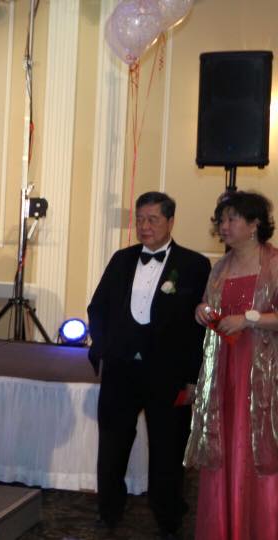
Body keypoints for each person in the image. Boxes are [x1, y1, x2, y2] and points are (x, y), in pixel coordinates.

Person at [87, 191, 210, 538]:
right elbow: (97, 307)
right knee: (112, 446)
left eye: (152, 219)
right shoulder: (122, 259)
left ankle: (168, 519)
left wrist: (192, 377)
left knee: (167, 450)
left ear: (170, 222)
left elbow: (198, 329)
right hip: (121, 370)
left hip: (168, 374)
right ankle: (109, 510)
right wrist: (105, 347)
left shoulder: (194, 265)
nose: (144, 226)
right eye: (140, 219)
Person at [187, 191, 278, 540]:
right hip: (224, 371)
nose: (223, 226)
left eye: (231, 219)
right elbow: (214, 311)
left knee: (257, 445)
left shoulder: (273, 263)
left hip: (262, 372)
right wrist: (203, 312)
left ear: (254, 225)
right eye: (221, 220)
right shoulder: (220, 267)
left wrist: (249, 318)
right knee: (223, 446)